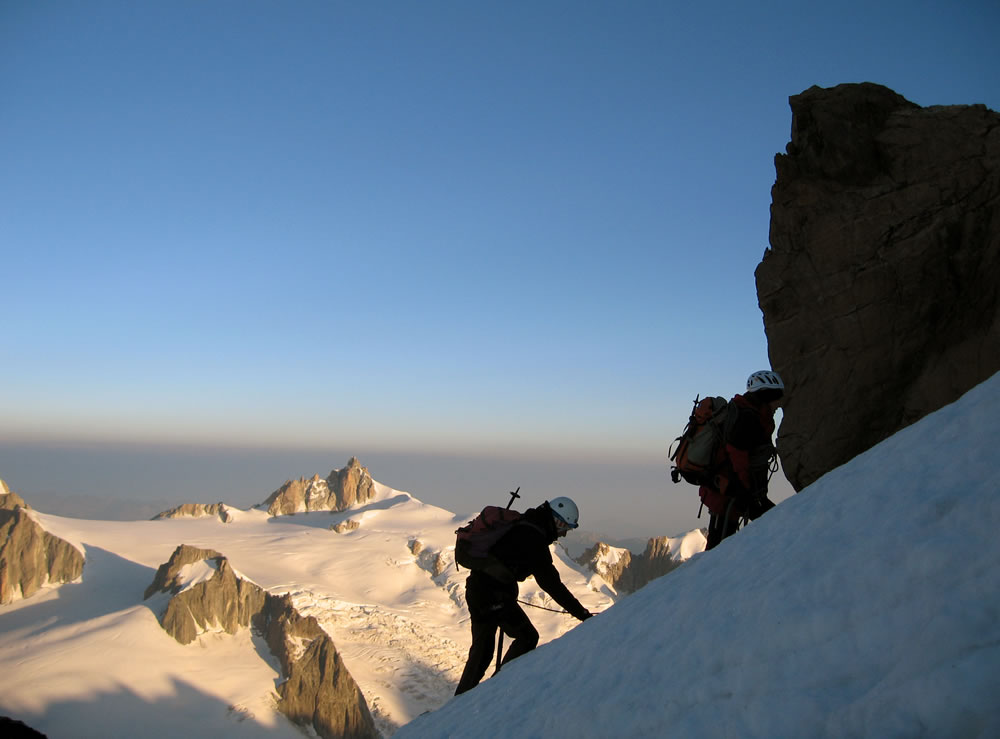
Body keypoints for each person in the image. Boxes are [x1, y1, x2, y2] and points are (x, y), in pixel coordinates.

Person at [453, 497, 593, 695]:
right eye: (565, 528)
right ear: (558, 521)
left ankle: (460, 701)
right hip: (493, 595)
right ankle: (495, 691)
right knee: (527, 637)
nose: (563, 534)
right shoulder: (534, 537)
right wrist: (582, 614)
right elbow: (551, 584)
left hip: (479, 590)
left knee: (482, 652)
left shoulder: (527, 524)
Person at [700, 370, 784, 550]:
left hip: (730, 486)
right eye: (776, 398)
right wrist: (745, 488)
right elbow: (738, 453)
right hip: (729, 488)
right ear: (765, 396)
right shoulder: (747, 417)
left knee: (720, 540)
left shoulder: (750, 412)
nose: (779, 404)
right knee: (719, 543)